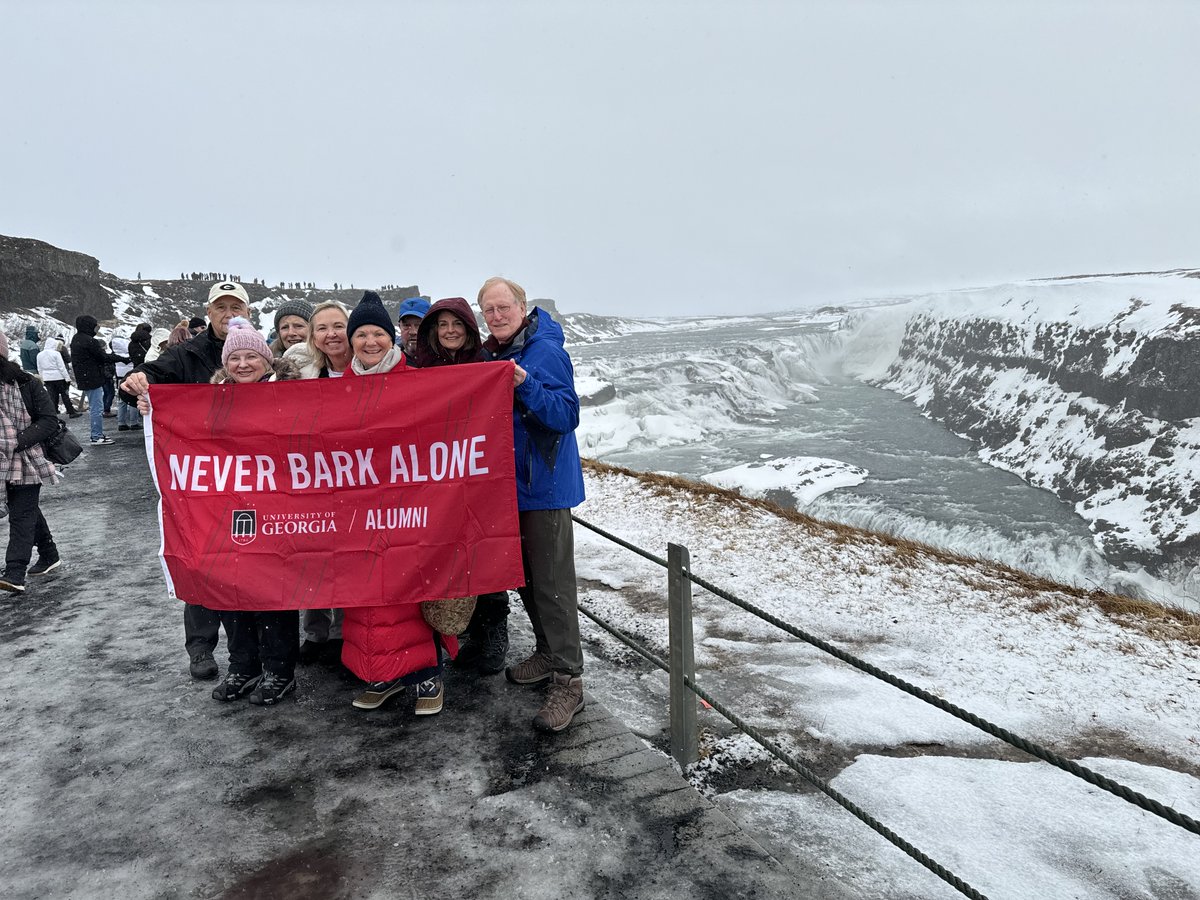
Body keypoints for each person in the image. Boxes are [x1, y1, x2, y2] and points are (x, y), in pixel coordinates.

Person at [119, 281, 253, 681]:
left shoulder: (258, 350)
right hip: (201, 479)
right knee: (201, 559)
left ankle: (247, 649)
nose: (228, 313)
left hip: (252, 476)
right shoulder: (187, 353)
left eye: (236, 306)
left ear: (248, 311)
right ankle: (200, 648)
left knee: (247, 559)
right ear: (208, 313)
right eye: (220, 307)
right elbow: (144, 379)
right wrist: (138, 385)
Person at [478, 276, 587, 732]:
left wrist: (524, 384)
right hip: (510, 488)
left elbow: (566, 415)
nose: (497, 316)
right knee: (526, 580)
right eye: (489, 310)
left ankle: (569, 681)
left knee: (553, 585)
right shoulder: (493, 354)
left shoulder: (545, 352)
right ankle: (547, 652)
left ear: (523, 307)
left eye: (504, 307)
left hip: (543, 487)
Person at [339, 291, 449, 715]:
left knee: (411, 589)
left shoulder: (416, 377)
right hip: (356, 505)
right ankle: (382, 674)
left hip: (409, 503)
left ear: (392, 338)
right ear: (351, 341)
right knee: (366, 591)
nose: (370, 342)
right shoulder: (336, 388)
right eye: (362, 334)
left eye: (379, 334)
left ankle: (426, 676)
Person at [179, 318, 300, 705]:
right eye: (235, 358)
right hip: (228, 509)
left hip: (278, 507)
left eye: (252, 356)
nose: (243, 364)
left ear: (268, 360)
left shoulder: (293, 394)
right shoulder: (210, 399)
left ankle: (279, 670)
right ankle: (243, 666)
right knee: (230, 589)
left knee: (273, 591)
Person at [408, 297, 512, 675]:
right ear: (433, 330)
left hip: (479, 476)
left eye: (457, 324)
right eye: (442, 324)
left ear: (469, 329)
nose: (450, 331)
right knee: (445, 558)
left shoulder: (485, 365)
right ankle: (454, 631)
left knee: (484, 553)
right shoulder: (420, 368)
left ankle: (493, 632)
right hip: (436, 479)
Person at [0, 332, 61, 594]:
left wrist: (17, 442)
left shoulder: (27, 384)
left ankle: (14, 573)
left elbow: (49, 420)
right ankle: (49, 554)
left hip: (27, 459)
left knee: (22, 514)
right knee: (27, 510)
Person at [69, 316, 118, 446]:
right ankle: (96, 436)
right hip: (93, 378)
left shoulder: (76, 339)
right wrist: (120, 358)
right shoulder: (89, 341)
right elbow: (102, 357)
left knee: (95, 406)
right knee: (97, 408)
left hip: (84, 377)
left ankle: (96, 435)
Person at [283, 301, 353, 379]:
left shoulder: (367, 368)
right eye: (322, 328)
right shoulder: (305, 378)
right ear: (314, 339)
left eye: (338, 326)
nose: (331, 334)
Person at [36, 339, 80, 418]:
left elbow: (39, 368)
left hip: (47, 378)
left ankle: (54, 412)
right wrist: (67, 378)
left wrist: (42, 379)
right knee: (64, 395)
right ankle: (71, 412)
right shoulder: (56, 354)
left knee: (52, 396)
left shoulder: (39, 355)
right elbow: (61, 367)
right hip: (58, 377)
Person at [111, 335, 138, 432]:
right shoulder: (130, 352)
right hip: (129, 375)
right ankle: (134, 422)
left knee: (121, 400)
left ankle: (121, 422)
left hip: (119, 377)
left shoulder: (115, 354)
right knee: (132, 398)